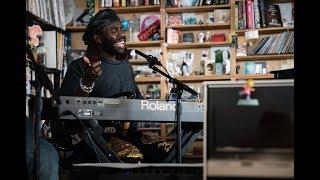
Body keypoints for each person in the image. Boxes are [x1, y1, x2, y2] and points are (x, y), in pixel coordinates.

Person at [59, 8, 166, 163]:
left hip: (126, 136)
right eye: (113, 30)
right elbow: (69, 115)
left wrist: (144, 129)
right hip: (92, 140)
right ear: (98, 38)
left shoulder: (125, 66)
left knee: (163, 150)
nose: (122, 34)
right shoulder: (79, 67)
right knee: (132, 156)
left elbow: (138, 104)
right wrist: (88, 81)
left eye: (121, 29)